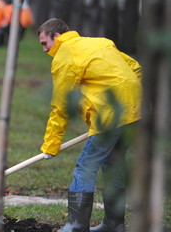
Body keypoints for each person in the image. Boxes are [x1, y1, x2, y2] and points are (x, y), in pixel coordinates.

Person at [37, 18, 141, 232]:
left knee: (86, 165)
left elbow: (61, 104)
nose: (45, 49)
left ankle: (76, 226)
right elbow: (135, 68)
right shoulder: (100, 42)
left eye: (45, 43)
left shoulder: (66, 54)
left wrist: (51, 145)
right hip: (134, 110)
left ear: (57, 36)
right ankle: (114, 225)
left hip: (112, 115)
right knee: (113, 164)